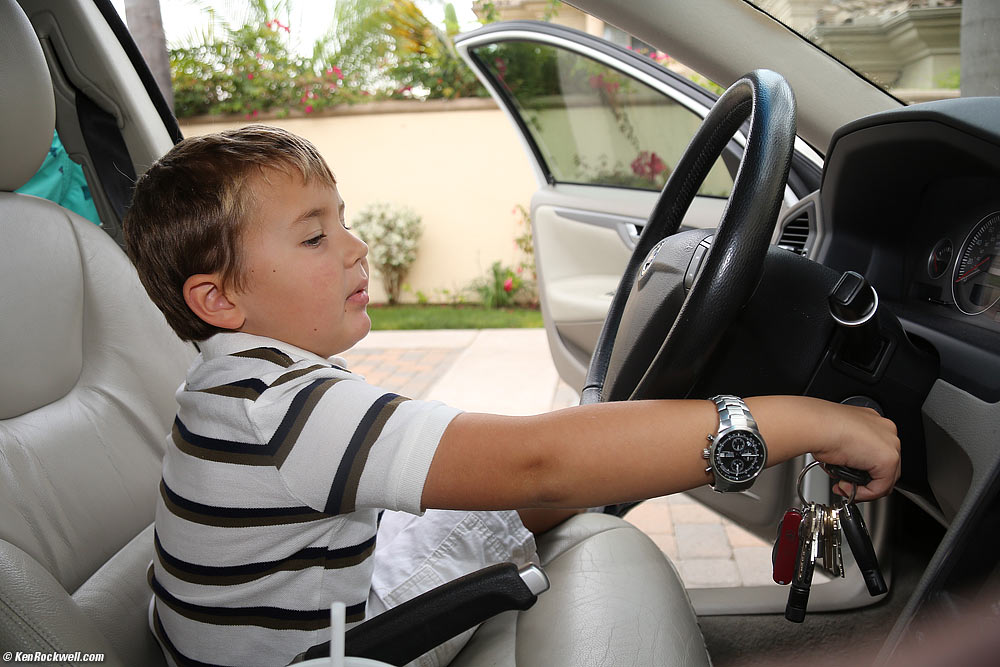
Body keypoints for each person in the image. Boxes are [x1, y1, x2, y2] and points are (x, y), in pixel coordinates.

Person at [122, 125, 899, 667]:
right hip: (320, 653)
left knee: (525, 482)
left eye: (344, 220)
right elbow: (537, 462)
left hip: (271, 628)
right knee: (539, 476)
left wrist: (579, 455)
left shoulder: (240, 380)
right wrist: (803, 418)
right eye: (315, 236)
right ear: (218, 300)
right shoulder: (279, 407)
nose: (357, 247)